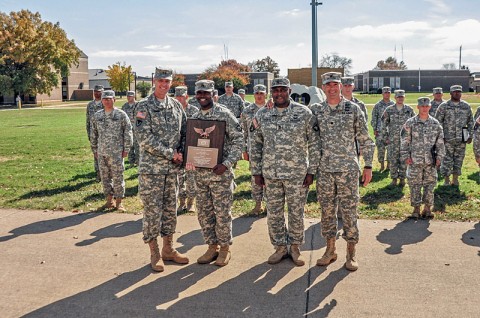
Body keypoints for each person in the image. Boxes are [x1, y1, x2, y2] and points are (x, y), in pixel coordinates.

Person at [250, 78, 319, 266]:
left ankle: (295, 247)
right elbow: (255, 145)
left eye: (283, 90)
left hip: (297, 174)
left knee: (296, 212)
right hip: (270, 174)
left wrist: (311, 170)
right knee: (274, 213)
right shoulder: (263, 114)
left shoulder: (303, 113)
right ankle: (280, 247)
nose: (279, 93)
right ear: (271, 92)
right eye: (276, 90)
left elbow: (314, 143)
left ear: (289, 91)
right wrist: (256, 171)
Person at [311, 72, 375, 271]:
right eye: (328, 84)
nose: (331, 88)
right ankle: (330, 251)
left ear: (341, 86)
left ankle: (351, 252)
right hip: (325, 171)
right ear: (323, 88)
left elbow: (365, 138)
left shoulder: (352, 109)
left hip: (347, 170)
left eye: (335, 84)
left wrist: (368, 166)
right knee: (327, 212)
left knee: (349, 211)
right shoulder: (317, 110)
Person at [134, 68, 189, 272]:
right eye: (161, 81)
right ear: (153, 81)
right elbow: (144, 138)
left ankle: (168, 249)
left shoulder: (175, 105)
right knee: (152, 211)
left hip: (172, 171)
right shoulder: (143, 107)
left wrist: (183, 152)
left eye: (167, 81)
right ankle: (154, 252)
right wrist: (170, 153)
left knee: (170, 210)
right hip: (152, 171)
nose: (164, 85)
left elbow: (185, 132)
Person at [186, 79, 243, 267]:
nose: (202, 96)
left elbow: (239, 141)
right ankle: (212, 246)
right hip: (199, 175)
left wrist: (226, 164)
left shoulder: (224, 114)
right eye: (199, 93)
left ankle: (225, 248)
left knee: (222, 213)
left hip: (220, 175)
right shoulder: (194, 116)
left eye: (206, 93)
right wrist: (189, 159)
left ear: (213, 94)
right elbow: (190, 143)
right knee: (204, 213)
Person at [400, 97, 445, 219]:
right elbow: (404, 141)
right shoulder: (410, 123)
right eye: (422, 106)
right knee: (414, 184)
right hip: (415, 160)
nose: (424, 108)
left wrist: (440, 157)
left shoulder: (435, 124)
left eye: (427, 106)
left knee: (430, 185)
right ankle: (416, 209)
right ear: (418, 107)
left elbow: (440, 143)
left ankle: (427, 209)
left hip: (431, 161)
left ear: (430, 107)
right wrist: (405, 156)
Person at [90, 90, 133, 212]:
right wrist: (94, 149)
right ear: (102, 100)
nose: (107, 101)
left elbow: (128, 132)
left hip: (117, 152)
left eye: (109, 99)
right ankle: (109, 201)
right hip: (102, 152)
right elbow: (93, 133)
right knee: (105, 177)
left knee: (118, 177)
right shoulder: (97, 116)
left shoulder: (121, 115)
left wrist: (127, 148)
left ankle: (119, 202)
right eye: (105, 99)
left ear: (114, 100)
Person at [435, 85, 473, 186]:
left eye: (459, 92)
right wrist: (440, 137)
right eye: (455, 92)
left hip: (461, 139)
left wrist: (470, 135)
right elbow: (438, 123)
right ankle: (446, 180)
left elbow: (470, 122)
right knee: (446, 159)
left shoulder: (466, 106)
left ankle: (455, 179)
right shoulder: (444, 106)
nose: (457, 93)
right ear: (450, 93)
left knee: (459, 159)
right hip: (447, 139)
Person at [241, 84, 268, 215]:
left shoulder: (272, 108)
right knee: (255, 177)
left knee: (269, 177)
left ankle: (269, 205)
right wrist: (244, 150)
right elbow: (243, 132)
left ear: (266, 95)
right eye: (257, 93)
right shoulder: (247, 111)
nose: (259, 96)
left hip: (270, 149)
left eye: (261, 93)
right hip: (253, 149)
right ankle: (258, 205)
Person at [381, 89, 415, 186]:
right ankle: (394, 179)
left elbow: (414, 125)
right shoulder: (389, 110)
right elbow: (383, 125)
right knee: (393, 160)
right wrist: (385, 137)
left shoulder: (409, 110)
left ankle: (402, 179)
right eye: (398, 97)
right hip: (393, 140)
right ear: (395, 98)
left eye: (402, 97)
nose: (400, 98)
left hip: (405, 141)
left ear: (404, 97)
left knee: (404, 160)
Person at [174, 86, 198, 212]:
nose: (179, 99)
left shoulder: (194, 111)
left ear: (186, 97)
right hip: (177, 150)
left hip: (191, 149)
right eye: (177, 96)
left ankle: (191, 203)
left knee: (191, 176)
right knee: (179, 177)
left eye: (181, 96)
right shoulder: (172, 111)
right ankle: (181, 202)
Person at [371, 87, 394, 171]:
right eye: (385, 92)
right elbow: (374, 117)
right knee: (380, 149)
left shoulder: (393, 105)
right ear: (382, 94)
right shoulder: (378, 105)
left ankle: (388, 165)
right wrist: (374, 129)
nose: (387, 94)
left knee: (390, 149)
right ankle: (381, 165)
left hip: (390, 131)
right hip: (380, 131)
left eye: (388, 92)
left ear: (390, 93)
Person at [86, 85, 105, 181]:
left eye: (99, 92)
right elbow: (88, 120)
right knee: (96, 154)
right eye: (95, 91)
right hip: (94, 133)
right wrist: (89, 134)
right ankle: (98, 173)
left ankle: (106, 173)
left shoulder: (105, 103)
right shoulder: (90, 105)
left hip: (105, 134)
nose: (97, 93)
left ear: (102, 92)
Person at [121, 91, 139, 167]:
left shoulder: (139, 105)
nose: (129, 97)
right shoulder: (124, 106)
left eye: (130, 96)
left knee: (138, 146)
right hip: (128, 130)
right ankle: (131, 161)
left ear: (134, 96)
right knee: (130, 145)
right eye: (128, 96)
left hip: (137, 129)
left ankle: (138, 161)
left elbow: (142, 117)